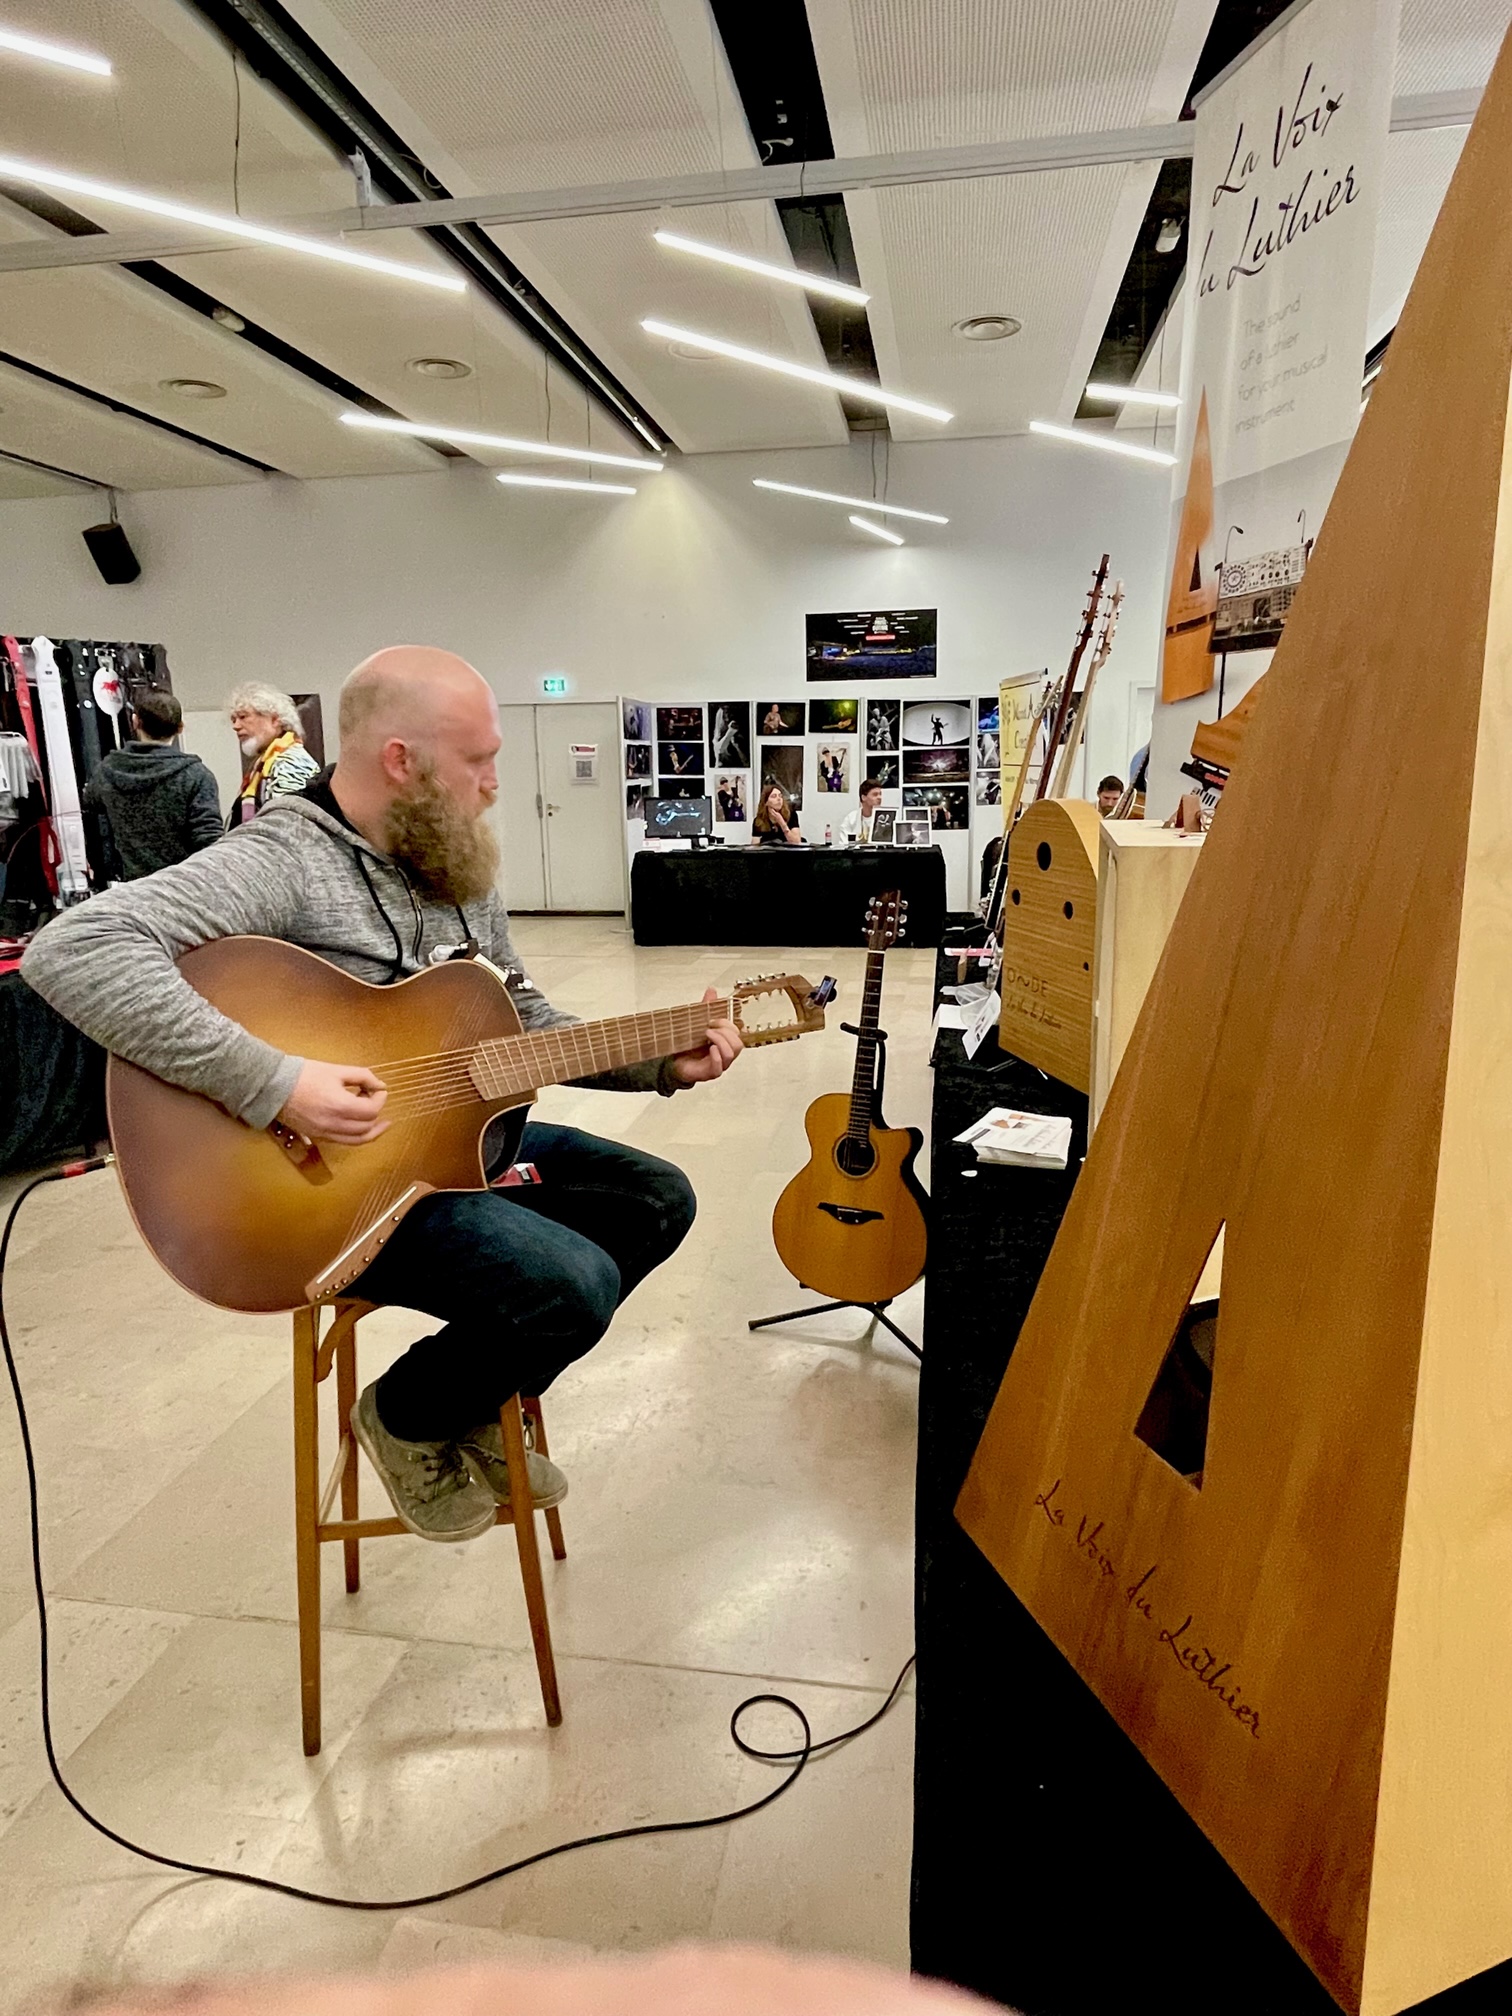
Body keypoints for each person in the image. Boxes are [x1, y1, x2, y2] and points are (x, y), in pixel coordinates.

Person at [24, 647, 742, 1544]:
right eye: (477, 759)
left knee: (657, 1198)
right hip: (332, 1192)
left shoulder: (452, 858)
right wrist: (275, 1082)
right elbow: (73, 950)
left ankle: (475, 1395)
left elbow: (519, 1017)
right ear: (401, 760)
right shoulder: (285, 857)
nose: (491, 784)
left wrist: (656, 1060)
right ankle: (405, 1416)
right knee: (574, 1286)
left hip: (457, 1150)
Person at [82, 687, 222, 879]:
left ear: (135, 722)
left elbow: (90, 802)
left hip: (135, 889)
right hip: (186, 889)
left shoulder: (107, 772)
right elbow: (209, 842)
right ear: (180, 727)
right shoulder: (197, 776)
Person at [226, 681, 321, 826]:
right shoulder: (263, 764)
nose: (236, 726)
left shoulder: (291, 763)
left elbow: (289, 829)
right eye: (234, 719)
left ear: (275, 719)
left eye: (243, 717)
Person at [842, 777, 885, 845]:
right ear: (863, 797)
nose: (879, 798)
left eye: (880, 794)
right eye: (875, 794)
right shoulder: (850, 819)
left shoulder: (885, 819)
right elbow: (843, 844)